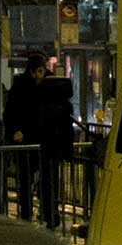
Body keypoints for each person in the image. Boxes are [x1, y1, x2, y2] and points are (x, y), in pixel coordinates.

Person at [4, 52, 47, 220]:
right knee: (26, 177)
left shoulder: (44, 87)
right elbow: (11, 113)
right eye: (35, 71)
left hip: (36, 140)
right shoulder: (21, 87)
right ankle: (27, 212)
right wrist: (15, 131)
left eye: (40, 71)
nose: (37, 75)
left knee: (36, 177)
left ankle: (35, 211)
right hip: (26, 140)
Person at [37, 74, 76, 227]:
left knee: (48, 180)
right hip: (55, 147)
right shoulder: (65, 106)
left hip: (48, 147)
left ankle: (49, 211)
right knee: (52, 180)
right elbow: (68, 130)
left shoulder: (44, 105)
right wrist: (68, 150)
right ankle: (51, 211)